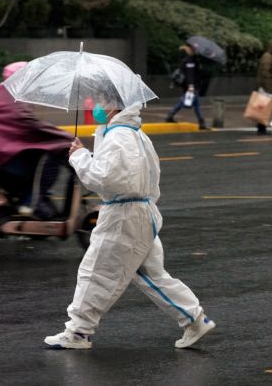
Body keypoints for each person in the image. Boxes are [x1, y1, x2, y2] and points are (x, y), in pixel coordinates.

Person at [44, 95, 215, 350]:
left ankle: (78, 332)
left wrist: (80, 157)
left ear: (115, 106)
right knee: (150, 275)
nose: (96, 107)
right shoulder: (135, 135)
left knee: (96, 272)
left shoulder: (119, 137)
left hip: (124, 216)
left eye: (102, 101)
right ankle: (194, 319)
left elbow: (104, 179)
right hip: (141, 212)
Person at [0, 62, 73, 219]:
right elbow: (32, 126)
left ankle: (31, 199)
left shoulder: (5, 97)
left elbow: (28, 127)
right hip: (4, 164)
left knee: (42, 153)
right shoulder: (12, 103)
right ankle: (31, 203)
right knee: (49, 158)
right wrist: (67, 139)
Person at [165, 44, 209, 130]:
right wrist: (191, 86)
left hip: (191, 86)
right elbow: (190, 75)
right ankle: (201, 122)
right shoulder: (190, 61)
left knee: (195, 104)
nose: (195, 51)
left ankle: (201, 122)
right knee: (186, 103)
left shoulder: (193, 60)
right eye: (193, 49)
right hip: (191, 86)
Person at [255, 39, 272, 135]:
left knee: (264, 108)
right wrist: (270, 89)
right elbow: (265, 73)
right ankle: (261, 128)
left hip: (266, 86)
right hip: (266, 87)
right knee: (265, 108)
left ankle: (261, 127)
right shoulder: (267, 57)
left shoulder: (269, 56)